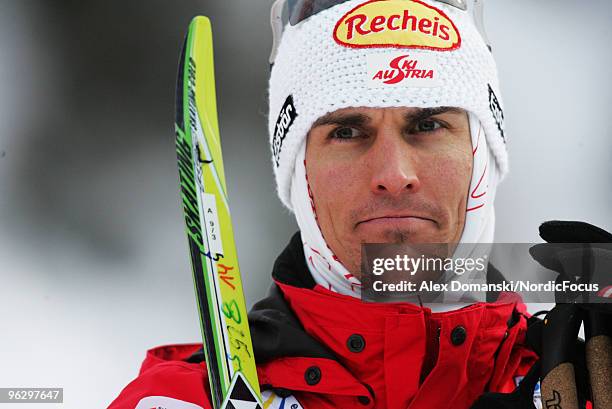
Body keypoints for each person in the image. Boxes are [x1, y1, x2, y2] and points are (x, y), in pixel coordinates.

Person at [108, 1, 609, 408]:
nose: (394, 175)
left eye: (428, 125)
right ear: (298, 172)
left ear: (483, 154)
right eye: (347, 131)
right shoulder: (182, 400)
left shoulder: (589, 384)